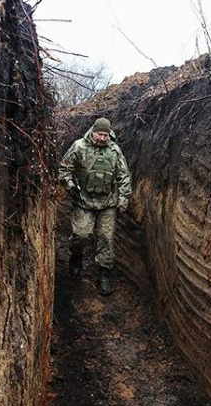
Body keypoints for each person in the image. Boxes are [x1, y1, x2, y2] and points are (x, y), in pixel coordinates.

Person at [58, 117, 132, 296]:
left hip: (107, 203)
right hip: (84, 201)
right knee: (81, 235)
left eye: (106, 135)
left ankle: (104, 275)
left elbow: (124, 176)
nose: (102, 138)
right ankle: (76, 258)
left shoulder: (114, 151)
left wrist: (123, 200)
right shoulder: (79, 147)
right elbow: (64, 169)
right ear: (93, 131)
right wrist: (70, 187)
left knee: (106, 238)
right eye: (100, 134)